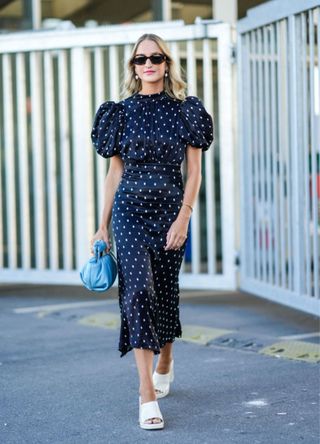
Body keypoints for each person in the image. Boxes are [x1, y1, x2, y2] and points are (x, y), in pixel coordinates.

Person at [90, 33, 214, 430]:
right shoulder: (119, 113)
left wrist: (185, 217)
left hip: (169, 213)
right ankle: (146, 395)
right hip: (129, 213)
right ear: (133, 67)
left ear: (166, 63)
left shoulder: (186, 110)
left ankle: (166, 358)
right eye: (140, 59)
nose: (148, 64)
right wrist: (101, 226)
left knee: (164, 292)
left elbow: (193, 172)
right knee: (138, 291)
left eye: (155, 57)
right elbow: (114, 174)